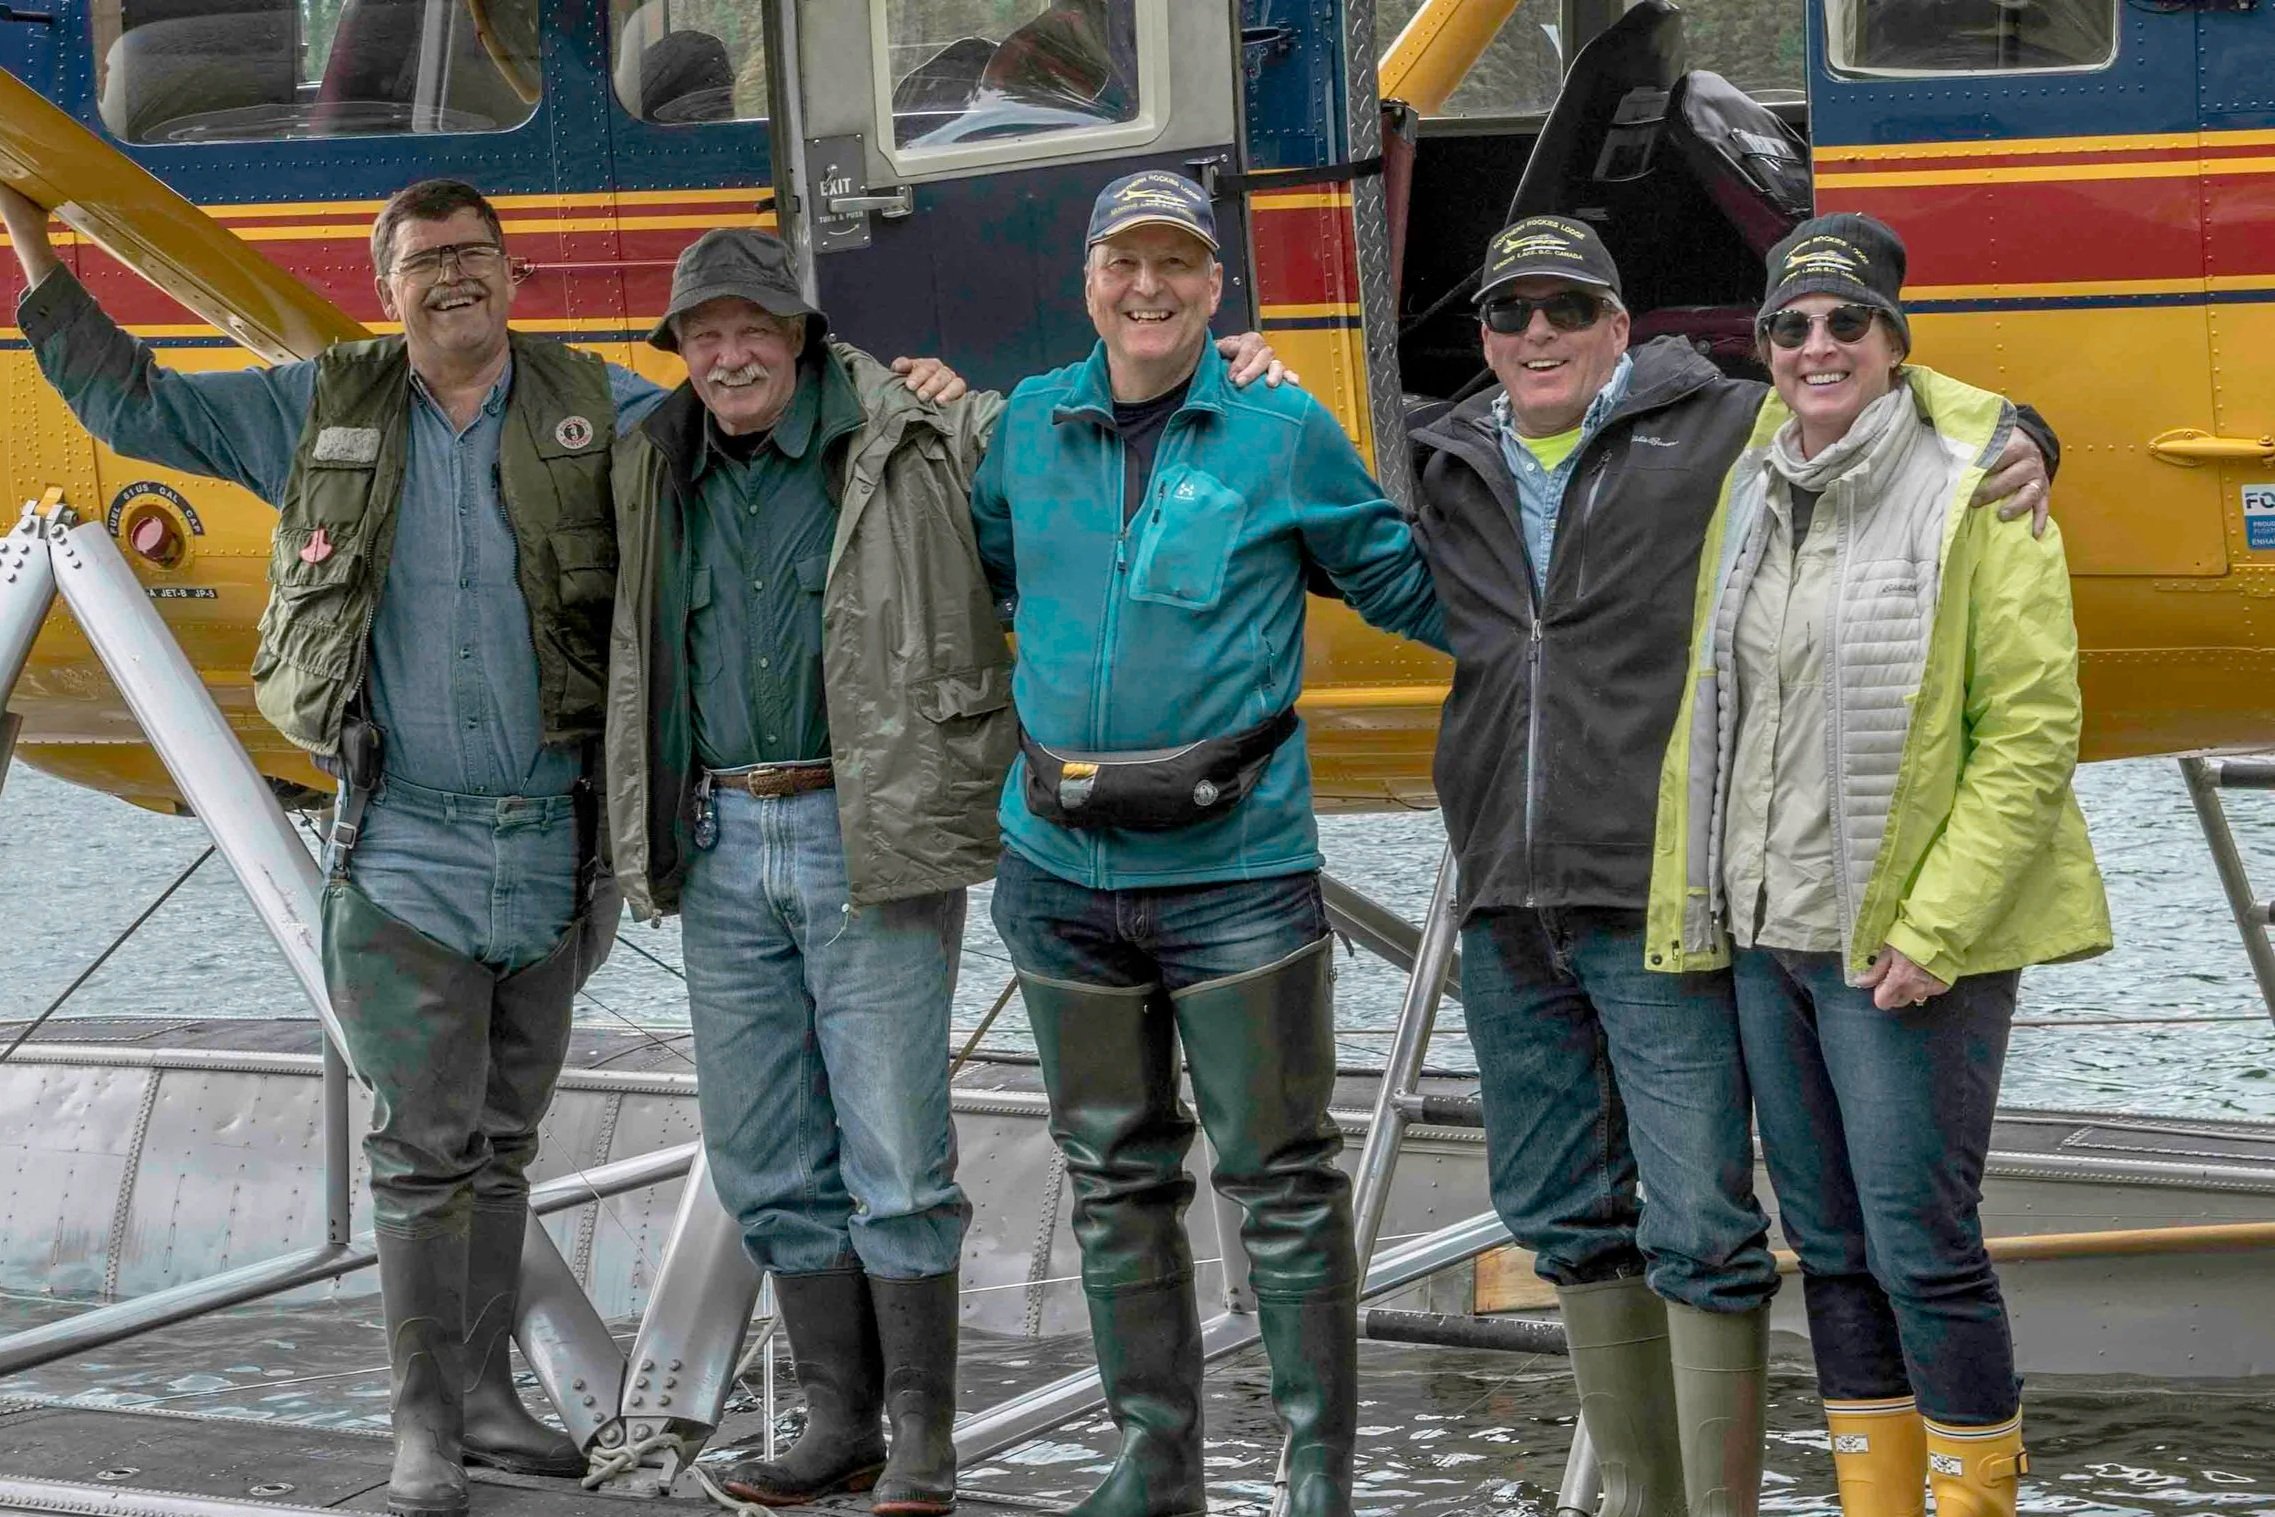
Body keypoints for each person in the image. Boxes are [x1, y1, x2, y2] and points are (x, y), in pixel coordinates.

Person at [0, 178, 963, 1517]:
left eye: (471, 257)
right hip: (405, 845)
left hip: (555, 848)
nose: (450, 278)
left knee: (503, 1139)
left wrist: (919, 389)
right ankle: (426, 1431)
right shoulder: (325, 403)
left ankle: (509, 1406)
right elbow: (142, 406)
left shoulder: (604, 409)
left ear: (513, 278)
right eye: (421, 262)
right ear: (383, 289)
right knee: (420, 1144)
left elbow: (755, 399)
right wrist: (38, 244)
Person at [604, 226, 1292, 1515]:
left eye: (755, 329)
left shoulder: (919, 428)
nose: (731, 355)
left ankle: (927, 1435)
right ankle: (838, 1426)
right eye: (705, 337)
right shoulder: (652, 459)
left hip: (866, 830)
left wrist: (1235, 364)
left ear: (800, 338)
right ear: (681, 355)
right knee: (762, 1159)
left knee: (897, 1158)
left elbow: (1091, 422)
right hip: (712, 837)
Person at [1407, 214, 2055, 1517]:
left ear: (1619, 323)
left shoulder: (1727, 430)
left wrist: (2029, 425)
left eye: (1566, 307)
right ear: (1483, 339)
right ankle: (1653, 1495)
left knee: (1716, 1222)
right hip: (1508, 893)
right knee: (1564, 1210)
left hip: (1665, 900)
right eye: (1509, 312)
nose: (1537, 331)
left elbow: (1874, 405)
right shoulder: (1442, 454)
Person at [970, 170, 1446, 1517]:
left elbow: (1401, 576)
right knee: (1114, 1176)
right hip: (1057, 868)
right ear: (1089, 281)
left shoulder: (1280, 427)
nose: (1150, 287)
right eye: (1127, 262)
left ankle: (1315, 1471)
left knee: (1282, 1178)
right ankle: (1156, 1458)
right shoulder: (1026, 429)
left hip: (1233, 868)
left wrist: (1556, 635)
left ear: (1215, 287)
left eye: (1178, 263)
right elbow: (987, 564)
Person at [1645, 212, 2110, 1517]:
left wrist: (1937, 927)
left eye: (1849, 321)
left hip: (1905, 950)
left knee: (1925, 1248)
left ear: (1895, 341)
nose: (1817, 345)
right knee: (1833, 1250)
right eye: (1791, 325)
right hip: (1764, 935)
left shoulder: (1983, 479)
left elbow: (2030, 737)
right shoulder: (1753, 473)